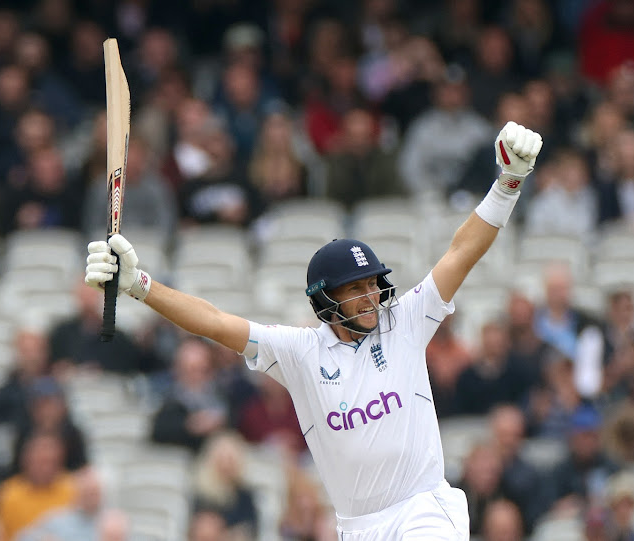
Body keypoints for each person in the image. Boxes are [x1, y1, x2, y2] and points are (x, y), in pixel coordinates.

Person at [85, 121, 543, 539]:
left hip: (423, 508)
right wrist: (139, 285)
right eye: (355, 288)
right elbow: (215, 322)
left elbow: (460, 253)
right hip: (357, 527)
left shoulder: (405, 320)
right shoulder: (301, 352)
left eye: (372, 284)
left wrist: (507, 184)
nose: (369, 296)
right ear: (326, 299)